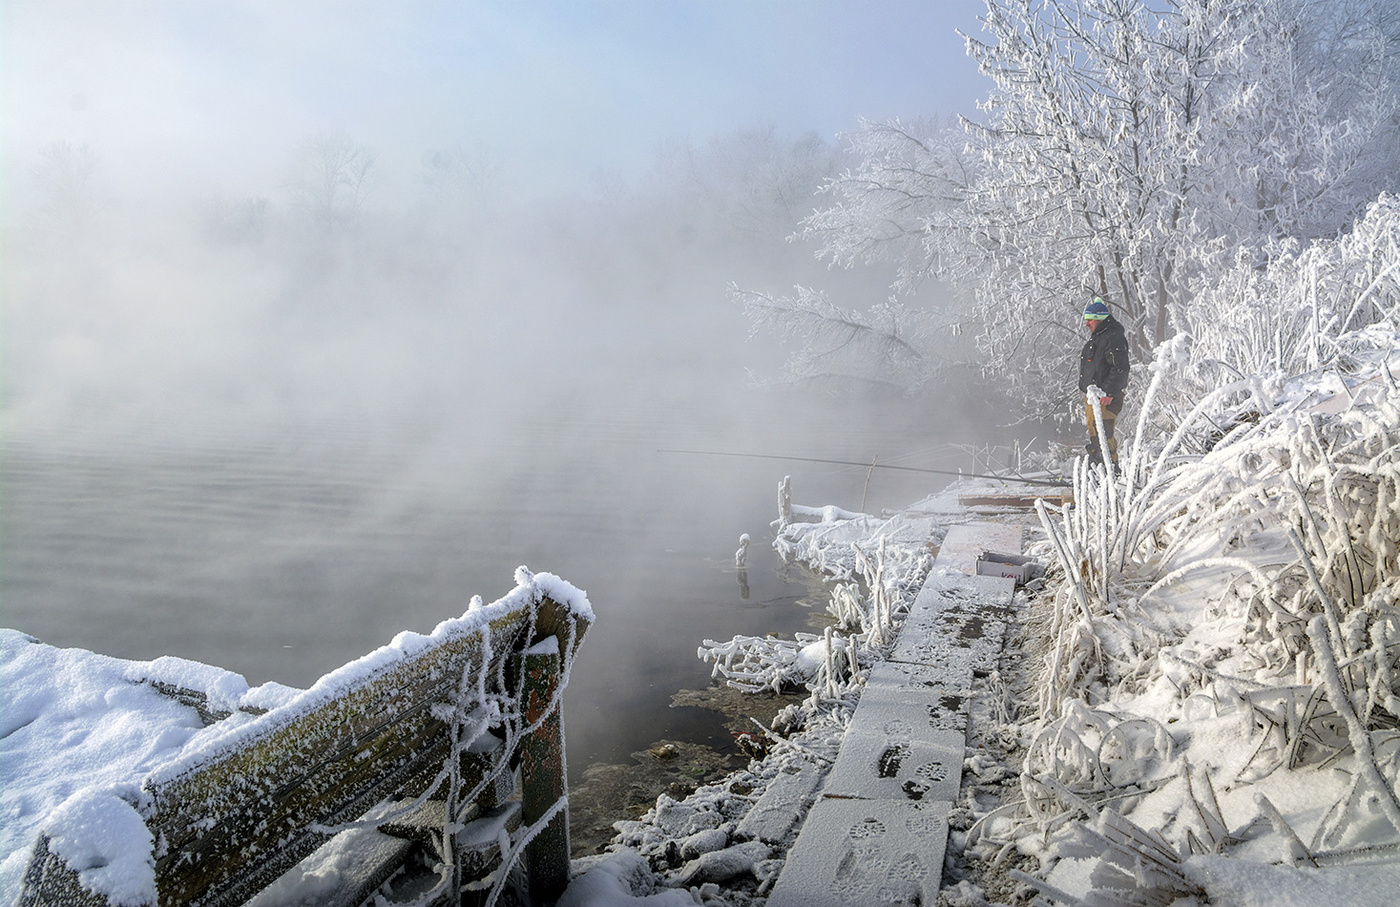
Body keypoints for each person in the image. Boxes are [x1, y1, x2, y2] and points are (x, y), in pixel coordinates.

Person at [1078, 296, 1130, 468]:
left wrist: (1109, 393)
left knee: (1104, 435)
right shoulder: (1097, 339)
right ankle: (1098, 468)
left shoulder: (1113, 338)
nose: (1087, 324)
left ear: (1100, 319)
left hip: (1106, 398)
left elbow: (1120, 368)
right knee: (1095, 434)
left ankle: (1111, 469)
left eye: (1090, 320)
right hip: (1094, 398)